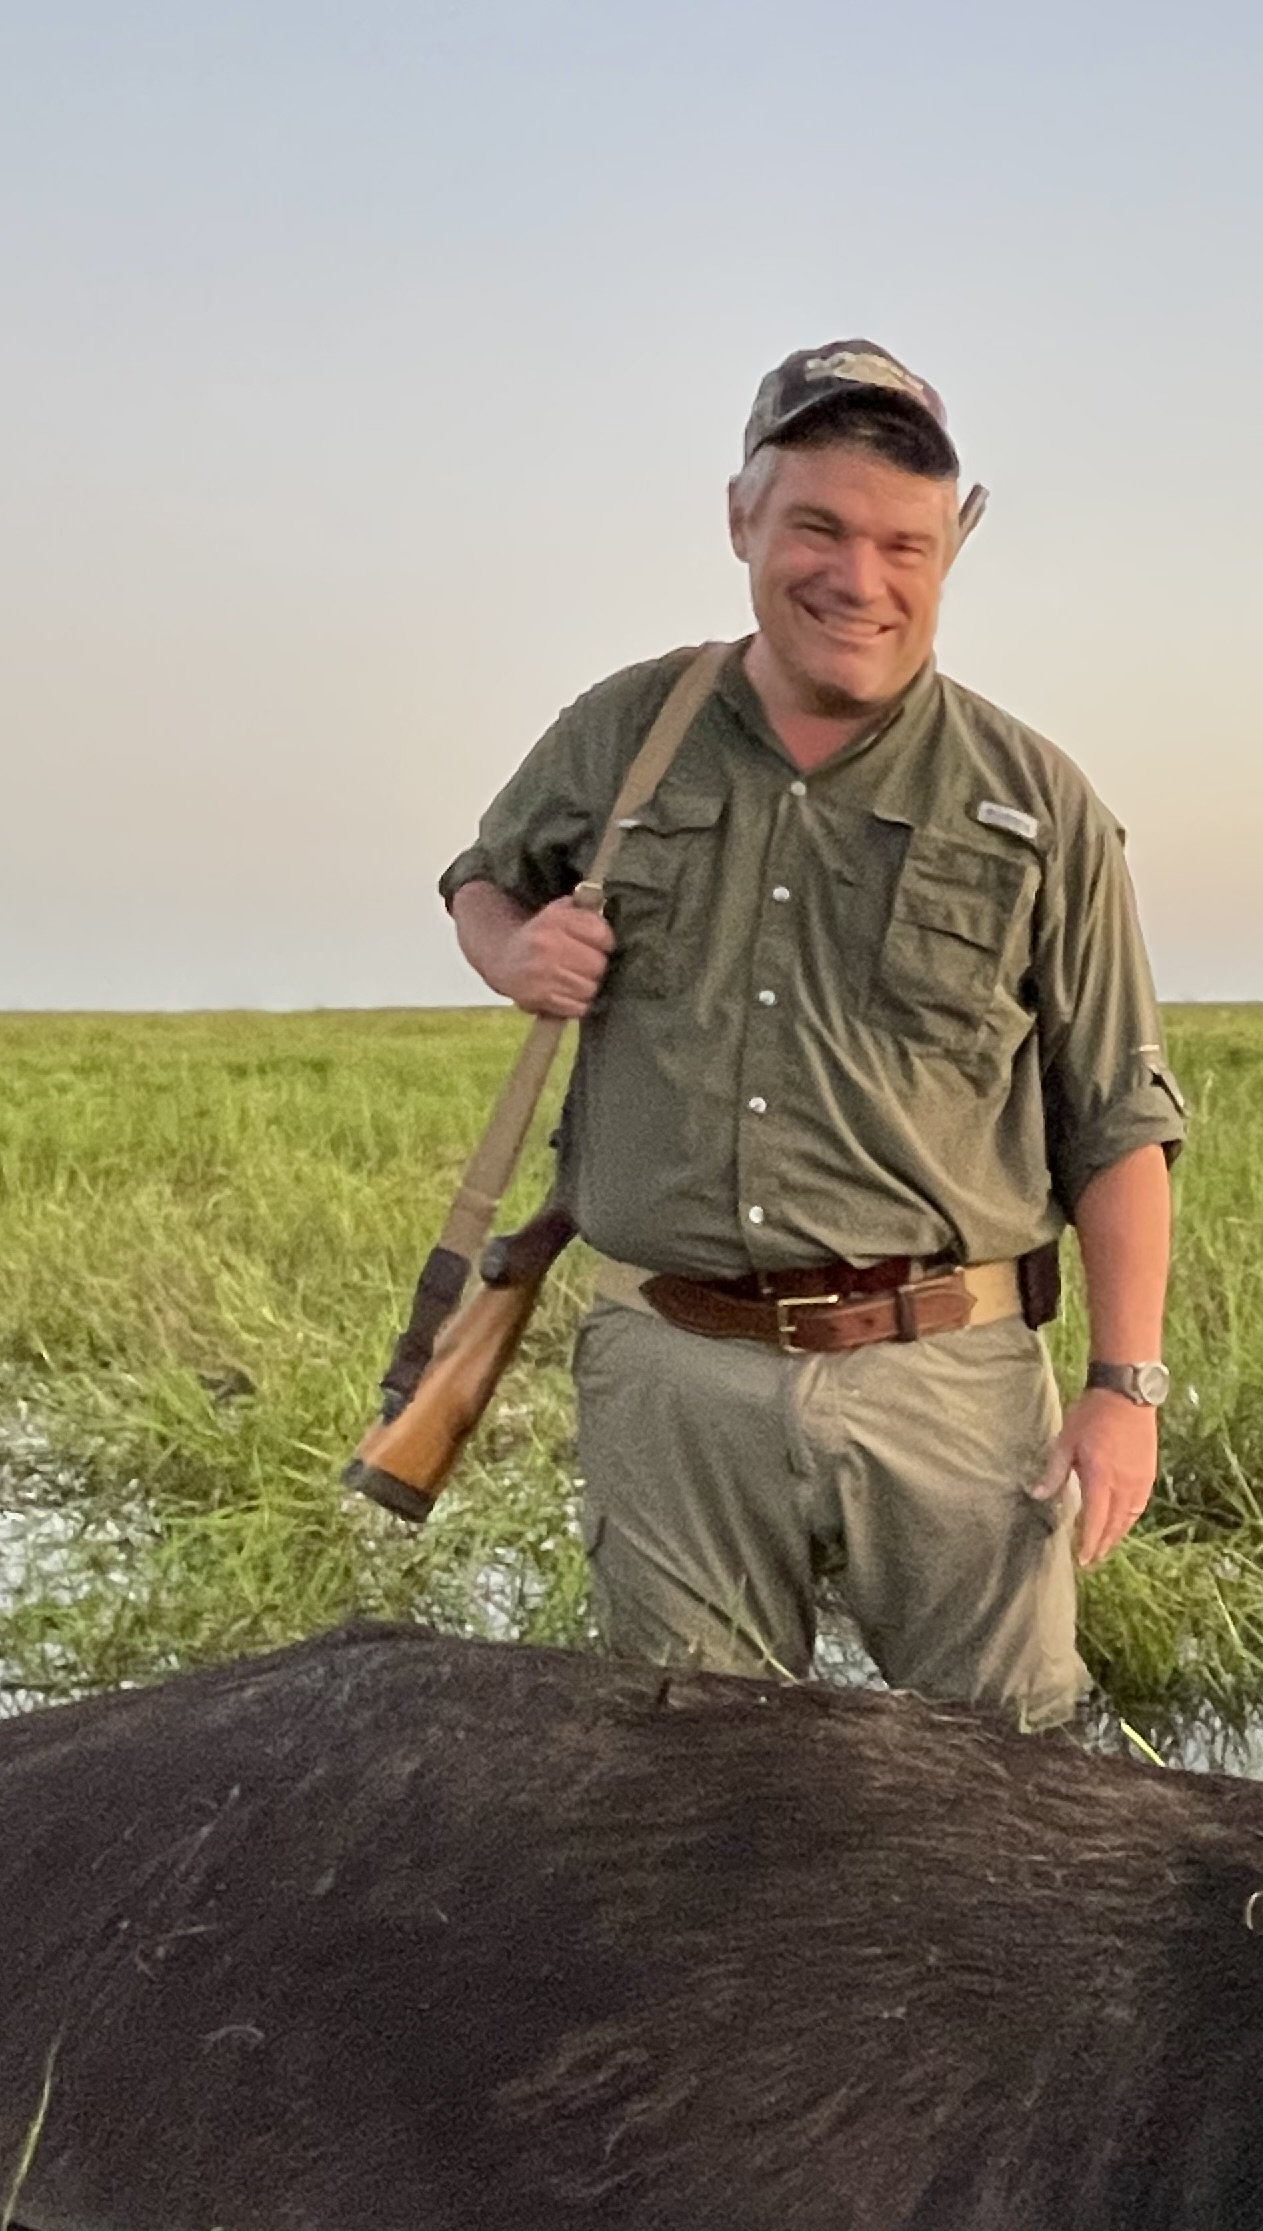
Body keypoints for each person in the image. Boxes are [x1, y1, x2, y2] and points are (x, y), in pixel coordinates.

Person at [439, 342, 1183, 1729]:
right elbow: (483, 878)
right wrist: (512, 949)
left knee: (1012, 1787)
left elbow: (1121, 1121)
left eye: (904, 541)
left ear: (952, 548)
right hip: (673, 1367)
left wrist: (1123, 1390)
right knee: (690, 1781)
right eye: (819, 528)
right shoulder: (622, 734)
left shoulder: (1036, 800)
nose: (860, 577)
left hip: (949, 1376)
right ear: (743, 519)